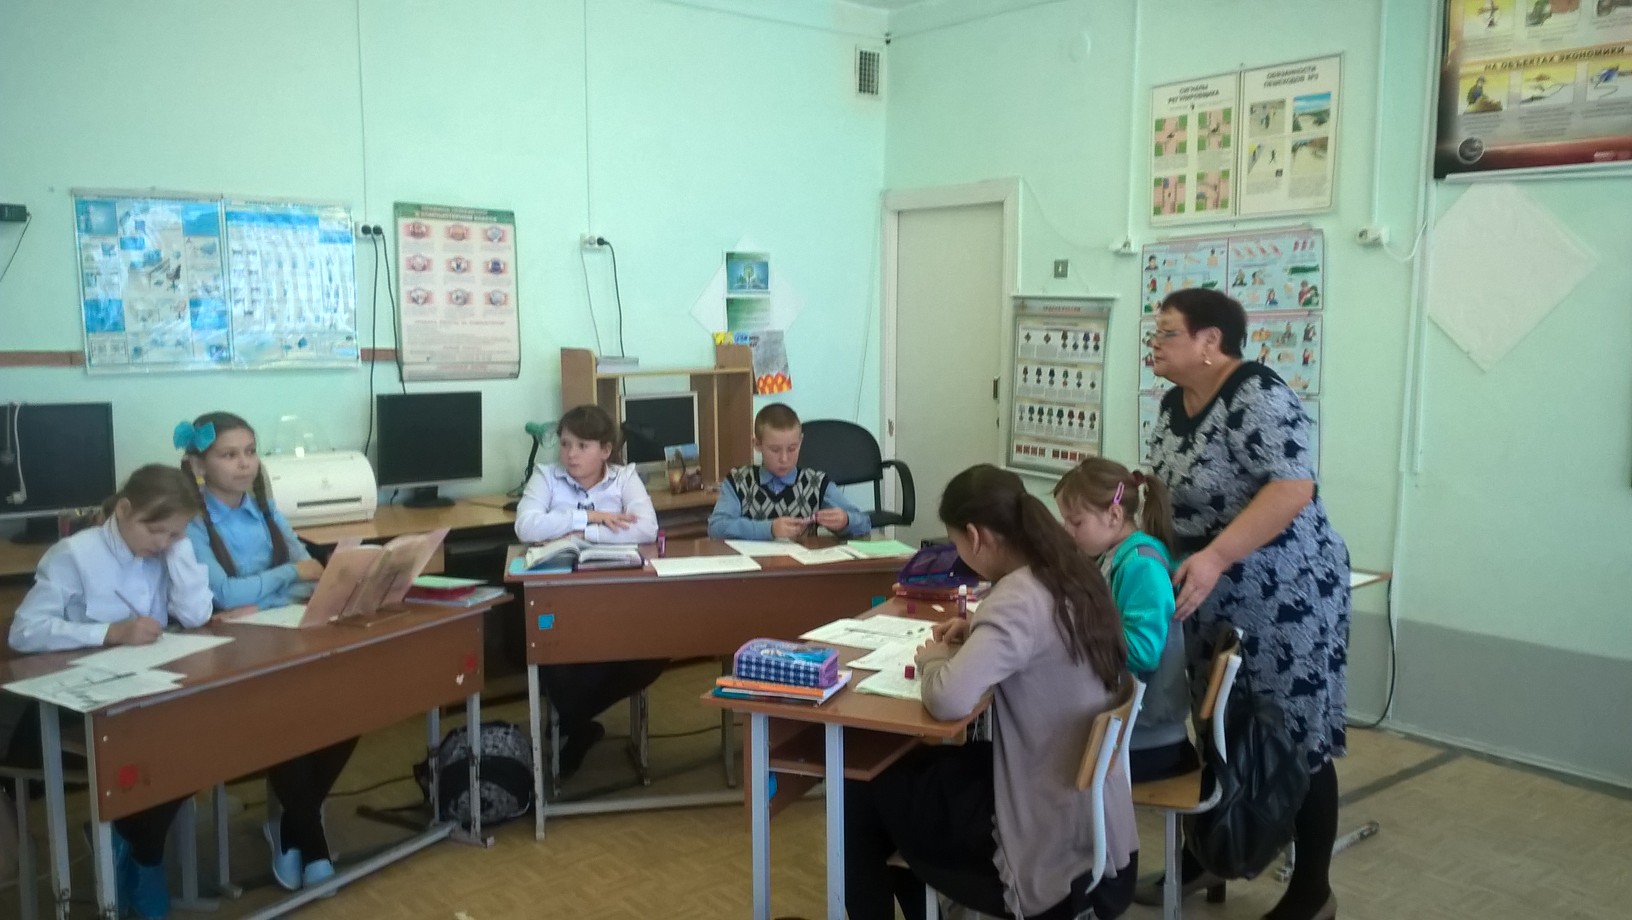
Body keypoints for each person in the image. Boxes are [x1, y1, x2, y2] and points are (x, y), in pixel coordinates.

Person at [844, 464, 1137, 920]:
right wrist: (977, 632)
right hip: (1091, 822)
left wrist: (934, 659)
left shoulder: (1017, 597)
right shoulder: (1074, 571)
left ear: (975, 537)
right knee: (905, 774)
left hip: (1043, 838)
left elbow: (947, 700)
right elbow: (1041, 642)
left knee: (862, 785)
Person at [1142, 288, 1351, 920]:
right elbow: (1166, 494)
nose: (1154, 343)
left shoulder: (1258, 394)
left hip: (1285, 590)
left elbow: (1292, 489)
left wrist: (1215, 556)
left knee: (1289, 735)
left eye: (1167, 332)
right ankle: (1209, 855)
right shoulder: (1172, 403)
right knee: (1215, 724)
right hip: (1208, 590)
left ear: (1210, 342)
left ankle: (1312, 891)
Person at [6, 464, 213, 919]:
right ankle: (144, 855)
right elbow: (24, 632)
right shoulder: (75, 554)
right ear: (123, 510)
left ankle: (135, 844)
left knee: (203, 741)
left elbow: (197, 615)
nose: (162, 542)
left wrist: (180, 552)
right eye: (155, 530)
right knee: (166, 749)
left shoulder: (167, 551)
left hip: (148, 690)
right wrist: (109, 632)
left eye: (175, 534)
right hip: (82, 701)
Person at [178, 413, 357, 893]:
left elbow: (313, 576)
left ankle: (292, 823)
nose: (244, 464)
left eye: (250, 452)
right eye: (229, 454)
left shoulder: (265, 508)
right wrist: (287, 578)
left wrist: (261, 597)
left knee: (351, 705)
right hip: (229, 652)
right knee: (285, 717)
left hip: (282, 632)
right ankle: (309, 839)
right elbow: (224, 595)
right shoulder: (192, 522)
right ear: (198, 464)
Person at [513, 405, 660, 776]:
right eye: (565, 444)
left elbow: (646, 528)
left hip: (617, 598)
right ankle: (577, 725)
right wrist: (590, 517)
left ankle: (574, 722)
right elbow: (526, 526)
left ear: (605, 450)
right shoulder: (546, 477)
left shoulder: (624, 478)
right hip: (561, 600)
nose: (571, 454)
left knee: (654, 649)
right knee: (554, 651)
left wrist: (582, 533)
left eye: (582, 446)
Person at [1053, 458, 1197, 782]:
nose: (1067, 531)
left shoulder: (1141, 565)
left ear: (1114, 515)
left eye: (1076, 522)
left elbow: (1143, 653)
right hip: (1131, 728)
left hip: (1147, 741)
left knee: (1040, 760)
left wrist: (1078, 628)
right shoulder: (1116, 556)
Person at [707, 403, 871, 540]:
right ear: (757, 444)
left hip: (802, 567)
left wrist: (846, 521)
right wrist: (770, 529)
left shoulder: (816, 483)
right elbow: (716, 527)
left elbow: (864, 523)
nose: (784, 458)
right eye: (775, 450)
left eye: (792, 448)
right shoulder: (738, 481)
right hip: (754, 568)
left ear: (801, 441)